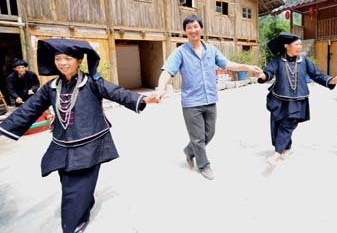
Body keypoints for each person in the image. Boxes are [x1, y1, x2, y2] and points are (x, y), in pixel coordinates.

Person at [0, 38, 162, 233]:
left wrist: (144, 98)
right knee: (67, 180)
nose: (62, 63)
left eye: (68, 58)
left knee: (75, 187)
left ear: (78, 61)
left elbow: (118, 93)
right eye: (58, 58)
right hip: (61, 145)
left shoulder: (93, 83)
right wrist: (5, 127)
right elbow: (30, 108)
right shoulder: (51, 87)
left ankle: (73, 223)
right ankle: (84, 202)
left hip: (90, 144)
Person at [156, 14, 262, 180]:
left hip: (210, 99)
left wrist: (248, 67)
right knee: (198, 138)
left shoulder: (211, 50)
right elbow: (168, 70)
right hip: (191, 102)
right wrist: (160, 88)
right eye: (189, 27)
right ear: (185, 31)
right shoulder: (180, 52)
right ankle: (204, 165)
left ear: (201, 29)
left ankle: (189, 150)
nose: (193, 30)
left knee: (209, 133)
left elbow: (227, 64)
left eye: (195, 26)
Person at [257, 32, 337, 165]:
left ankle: (277, 153)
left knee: (288, 125)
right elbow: (268, 72)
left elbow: (317, 75)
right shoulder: (277, 60)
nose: (300, 47)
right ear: (287, 45)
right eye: (297, 44)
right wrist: (263, 76)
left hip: (298, 100)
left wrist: (333, 80)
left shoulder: (305, 61)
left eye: (300, 44)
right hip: (279, 99)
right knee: (277, 124)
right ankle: (286, 147)